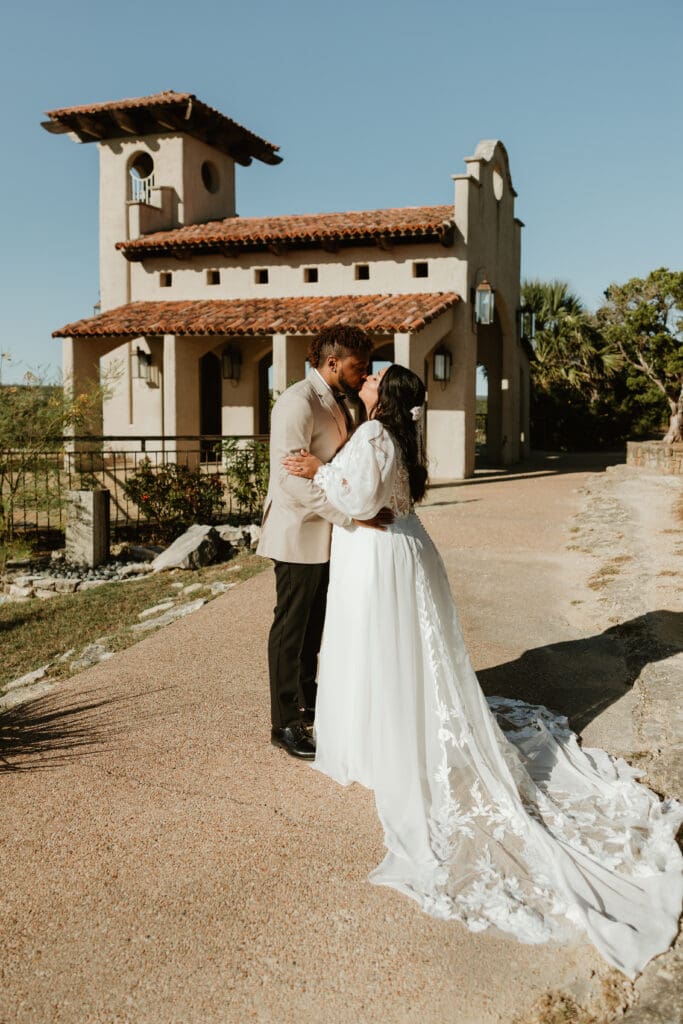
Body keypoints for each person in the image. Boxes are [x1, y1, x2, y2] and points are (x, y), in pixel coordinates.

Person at [282, 364, 683, 979]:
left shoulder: (370, 436)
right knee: (405, 653)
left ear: (381, 395)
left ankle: (379, 741)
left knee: (378, 648)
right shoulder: (397, 438)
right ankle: (393, 728)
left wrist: (319, 471)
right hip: (405, 548)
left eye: (372, 379)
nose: (363, 381)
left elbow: (359, 499)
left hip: (380, 558)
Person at [257, 324, 390, 760]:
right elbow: (288, 483)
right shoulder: (296, 403)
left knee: (316, 627)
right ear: (332, 363)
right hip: (299, 531)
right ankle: (285, 723)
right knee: (291, 628)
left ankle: (309, 702)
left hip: (331, 534)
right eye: (358, 367)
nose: (363, 373)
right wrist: (351, 516)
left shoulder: (343, 401)